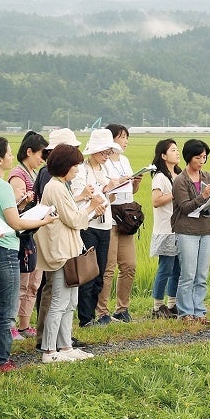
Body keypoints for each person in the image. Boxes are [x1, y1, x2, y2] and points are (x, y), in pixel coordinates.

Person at [0, 136, 58, 371]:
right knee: (6, 311)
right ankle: (0, 359)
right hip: (5, 250)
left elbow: (3, 216)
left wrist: (19, 209)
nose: (12, 157)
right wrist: (43, 220)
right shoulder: (2, 185)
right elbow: (16, 224)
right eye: (9, 154)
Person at [35, 143, 100, 363]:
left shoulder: (62, 186)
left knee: (70, 301)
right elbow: (73, 219)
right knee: (59, 301)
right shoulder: (55, 187)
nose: (77, 170)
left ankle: (65, 347)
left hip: (68, 251)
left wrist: (86, 205)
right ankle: (49, 350)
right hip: (61, 252)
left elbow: (71, 213)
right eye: (75, 165)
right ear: (65, 165)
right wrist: (92, 208)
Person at [170, 138, 210, 323]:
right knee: (188, 273)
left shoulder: (208, 177)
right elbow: (185, 207)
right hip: (186, 231)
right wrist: (203, 196)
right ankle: (185, 312)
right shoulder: (180, 181)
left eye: (204, 157)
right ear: (189, 157)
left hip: (206, 230)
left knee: (202, 274)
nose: (202, 161)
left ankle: (199, 311)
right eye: (198, 157)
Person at [75, 128, 124, 327]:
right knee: (88, 272)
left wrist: (111, 190)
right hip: (88, 225)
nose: (106, 156)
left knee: (100, 273)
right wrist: (100, 191)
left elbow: (110, 198)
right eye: (104, 152)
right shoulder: (81, 170)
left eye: (108, 153)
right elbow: (77, 197)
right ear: (94, 151)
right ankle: (85, 318)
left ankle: (93, 315)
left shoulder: (106, 169)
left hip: (105, 225)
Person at [99, 124, 144, 323]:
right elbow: (104, 190)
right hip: (110, 218)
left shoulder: (125, 160)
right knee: (108, 267)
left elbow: (130, 192)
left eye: (127, 137)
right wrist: (117, 182)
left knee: (129, 265)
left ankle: (122, 309)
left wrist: (136, 183)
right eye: (122, 137)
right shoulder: (103, 162)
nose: (125, 141)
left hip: (125, 217)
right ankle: (102, 312)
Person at [8, 130, 48, 337]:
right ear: (29, 152)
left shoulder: (35, 174)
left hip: (36, 233)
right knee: (22, 283)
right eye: (41, 154)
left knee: (34, 282)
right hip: (24, 236)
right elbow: (14, 209)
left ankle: (24, 324)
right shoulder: (18, 175)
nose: (43, 159)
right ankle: (13, 326)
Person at [148, 138, 182, 318]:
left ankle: (172, 304)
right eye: (173, 150)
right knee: (165, 268)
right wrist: (175, 194)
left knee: (177, 269)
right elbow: (156, 201)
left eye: (177, 150)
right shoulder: (160, 177)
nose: (177, 153)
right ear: (163, 155)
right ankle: (157, 306)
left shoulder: (179, 174)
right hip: (165, 229)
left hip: (179, 228)